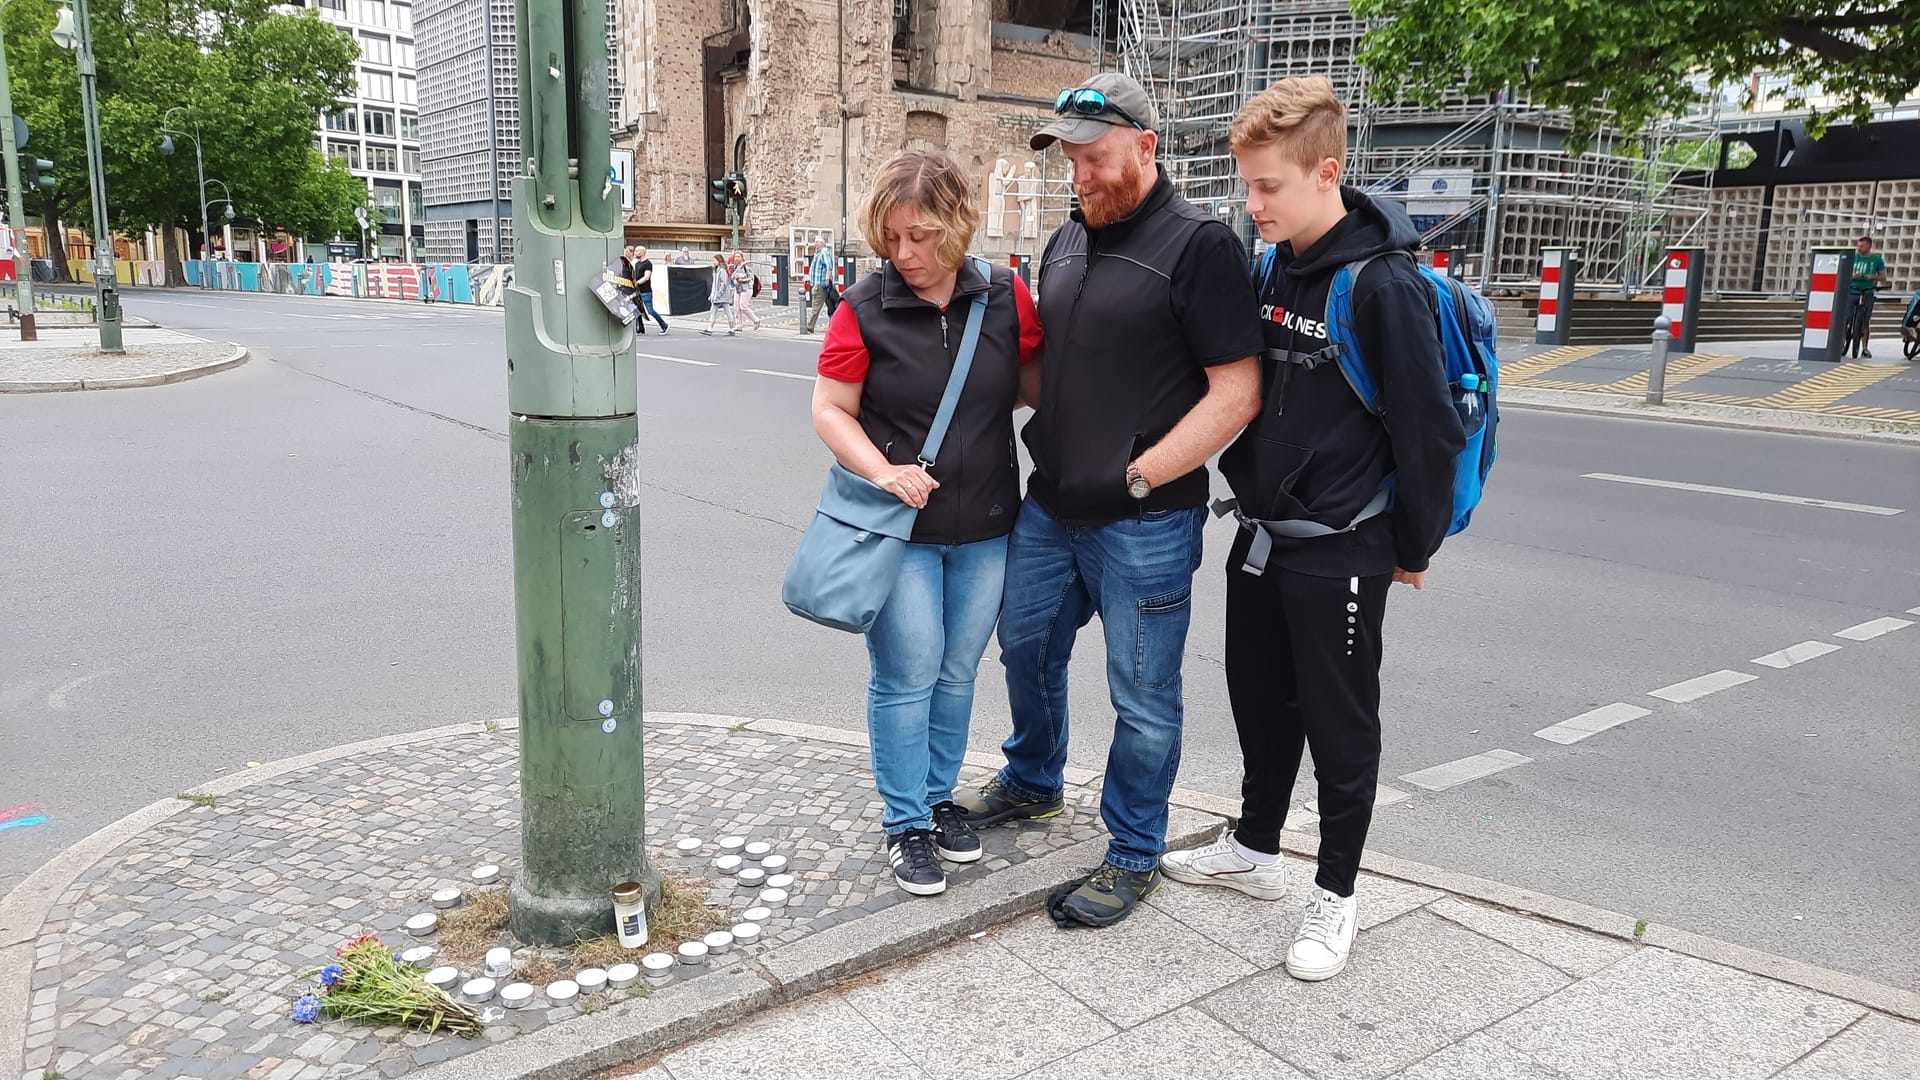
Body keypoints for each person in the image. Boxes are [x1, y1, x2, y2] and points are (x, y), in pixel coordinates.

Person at [1158, 76, 1466, 982]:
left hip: (1346, 549)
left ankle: (1335, 896)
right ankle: (1254, 848)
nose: (1250, 205)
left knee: (1339, 725)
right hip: (1261, 534)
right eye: (1245, 185)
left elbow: (1430, 429)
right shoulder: (1272, 266)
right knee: (1260, 701)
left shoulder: (1385, 285)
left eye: (1267, 187)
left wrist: (1413, 547)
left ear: (1326, 172)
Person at [953, 71, 1263, 927]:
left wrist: (1142, 473)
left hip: (1145, 520)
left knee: (1142, 694)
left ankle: (1133, 850)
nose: (1078, 174)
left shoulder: (1201, 247)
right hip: (1051, 507)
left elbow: (1236, 392)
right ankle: (1035, 778)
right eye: (1068, 158)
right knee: (1025, 647)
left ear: (1145, 145)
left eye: (1092, 157)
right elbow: (1054, 364)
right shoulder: (1065, 241)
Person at [810, 149, 1044, 896]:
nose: (904, 254)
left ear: (957, 227)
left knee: (955, 672)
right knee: (907, 676)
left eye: (920, 236)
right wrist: (882, 470)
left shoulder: (1007, 298)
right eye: (891, 237)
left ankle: (941, 799)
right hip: (897, 530)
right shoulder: (863, 308)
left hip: (987, 527)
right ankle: (906, 822)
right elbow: (830, 410)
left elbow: (1033, 387)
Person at [1850, 235, 1887, 358]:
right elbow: (1843, 271)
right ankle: (1841, 342)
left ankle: (1865, 348)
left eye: (1862, 246)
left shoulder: (1877, 260)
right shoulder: (1853, 258)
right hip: (1853, 290)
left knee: (1865, 321)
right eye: (1858, 246)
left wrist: (1872, 277)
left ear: (1869, 246)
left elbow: (1883, 277)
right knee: (1846, 316)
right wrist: (1852, 275)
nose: (1859, 248)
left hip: (1868, 291)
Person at [803, 239, 839, 333]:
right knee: (831, 306)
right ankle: (835, 325)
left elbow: (829, 266)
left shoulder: (824, 252)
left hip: (821, 284)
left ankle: (809, 326)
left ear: (821, 243)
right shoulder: (818, 253)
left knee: (816, 306)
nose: (815, 243)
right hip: (819, 284)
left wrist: (827, 278)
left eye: (816, 242)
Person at [633, 245, 670, 334]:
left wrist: (636, 283)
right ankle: (640, 328)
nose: (635, 253)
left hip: (646, 291)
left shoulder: (647, 263)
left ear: (642, 252)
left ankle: (664, 325)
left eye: (637, 251)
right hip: (638, 291)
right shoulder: (637, 264)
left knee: (650, 310)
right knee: (637, 310)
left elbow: (646, 277)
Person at [701, 251, 736, 335]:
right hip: (720, 296)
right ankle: (732, 329)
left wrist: (718, 294)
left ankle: (710, 328)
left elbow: (723, 284)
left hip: (720, 296)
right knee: (726, 311)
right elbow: (714, 285)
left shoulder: (722, 271)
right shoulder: (716, 270)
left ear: (719, 261)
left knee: (715, 311)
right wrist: (712, 295)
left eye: (714, 260)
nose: (713, 262)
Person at [729, 251, 764, 331]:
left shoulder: (746, 267)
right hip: (738, 289)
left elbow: (751, 278)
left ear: (742, 258)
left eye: (738, 256)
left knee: (743, 306)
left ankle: (756, 320)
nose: (736, 258)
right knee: (736, 307)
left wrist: (742, 280)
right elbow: (733, 276)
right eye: (735, 257)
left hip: (746, 289)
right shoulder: (735, 267)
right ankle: (738, 325)